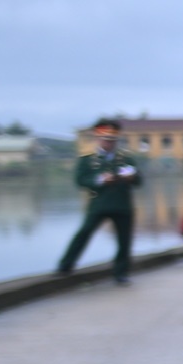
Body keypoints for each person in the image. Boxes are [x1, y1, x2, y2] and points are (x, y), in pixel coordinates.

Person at [57, 119, 142, 284]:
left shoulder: (125, 159)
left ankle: (121, 273)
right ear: (98, 138)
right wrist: (100, 180)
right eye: (105, 139)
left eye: (112, 140)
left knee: (124, 240)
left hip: (122, 204)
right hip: (99, 203)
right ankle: (65, 265)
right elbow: (81, 180)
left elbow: (139, 182)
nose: (108, 143)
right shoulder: (88, 159)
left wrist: (132, 177)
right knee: (84, 233)